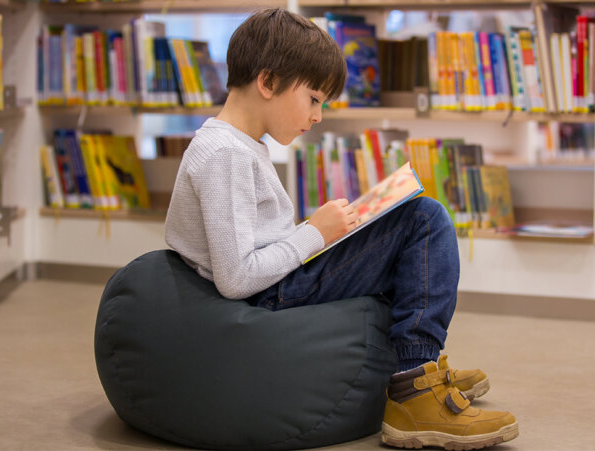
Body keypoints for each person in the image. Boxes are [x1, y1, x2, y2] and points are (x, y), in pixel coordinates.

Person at [164, 8, 518, 449]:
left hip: (279, 279)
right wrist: (314, 233)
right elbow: (236, 278)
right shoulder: (224, 155)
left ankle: (417, 366)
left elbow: (257, 240)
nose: (317, 117)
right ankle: (413, 386)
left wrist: (327, 231)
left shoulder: (240, 144)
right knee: (425, 222)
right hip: (267, 294)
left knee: (404, 224)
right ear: (268, 82)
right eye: (313, 99)